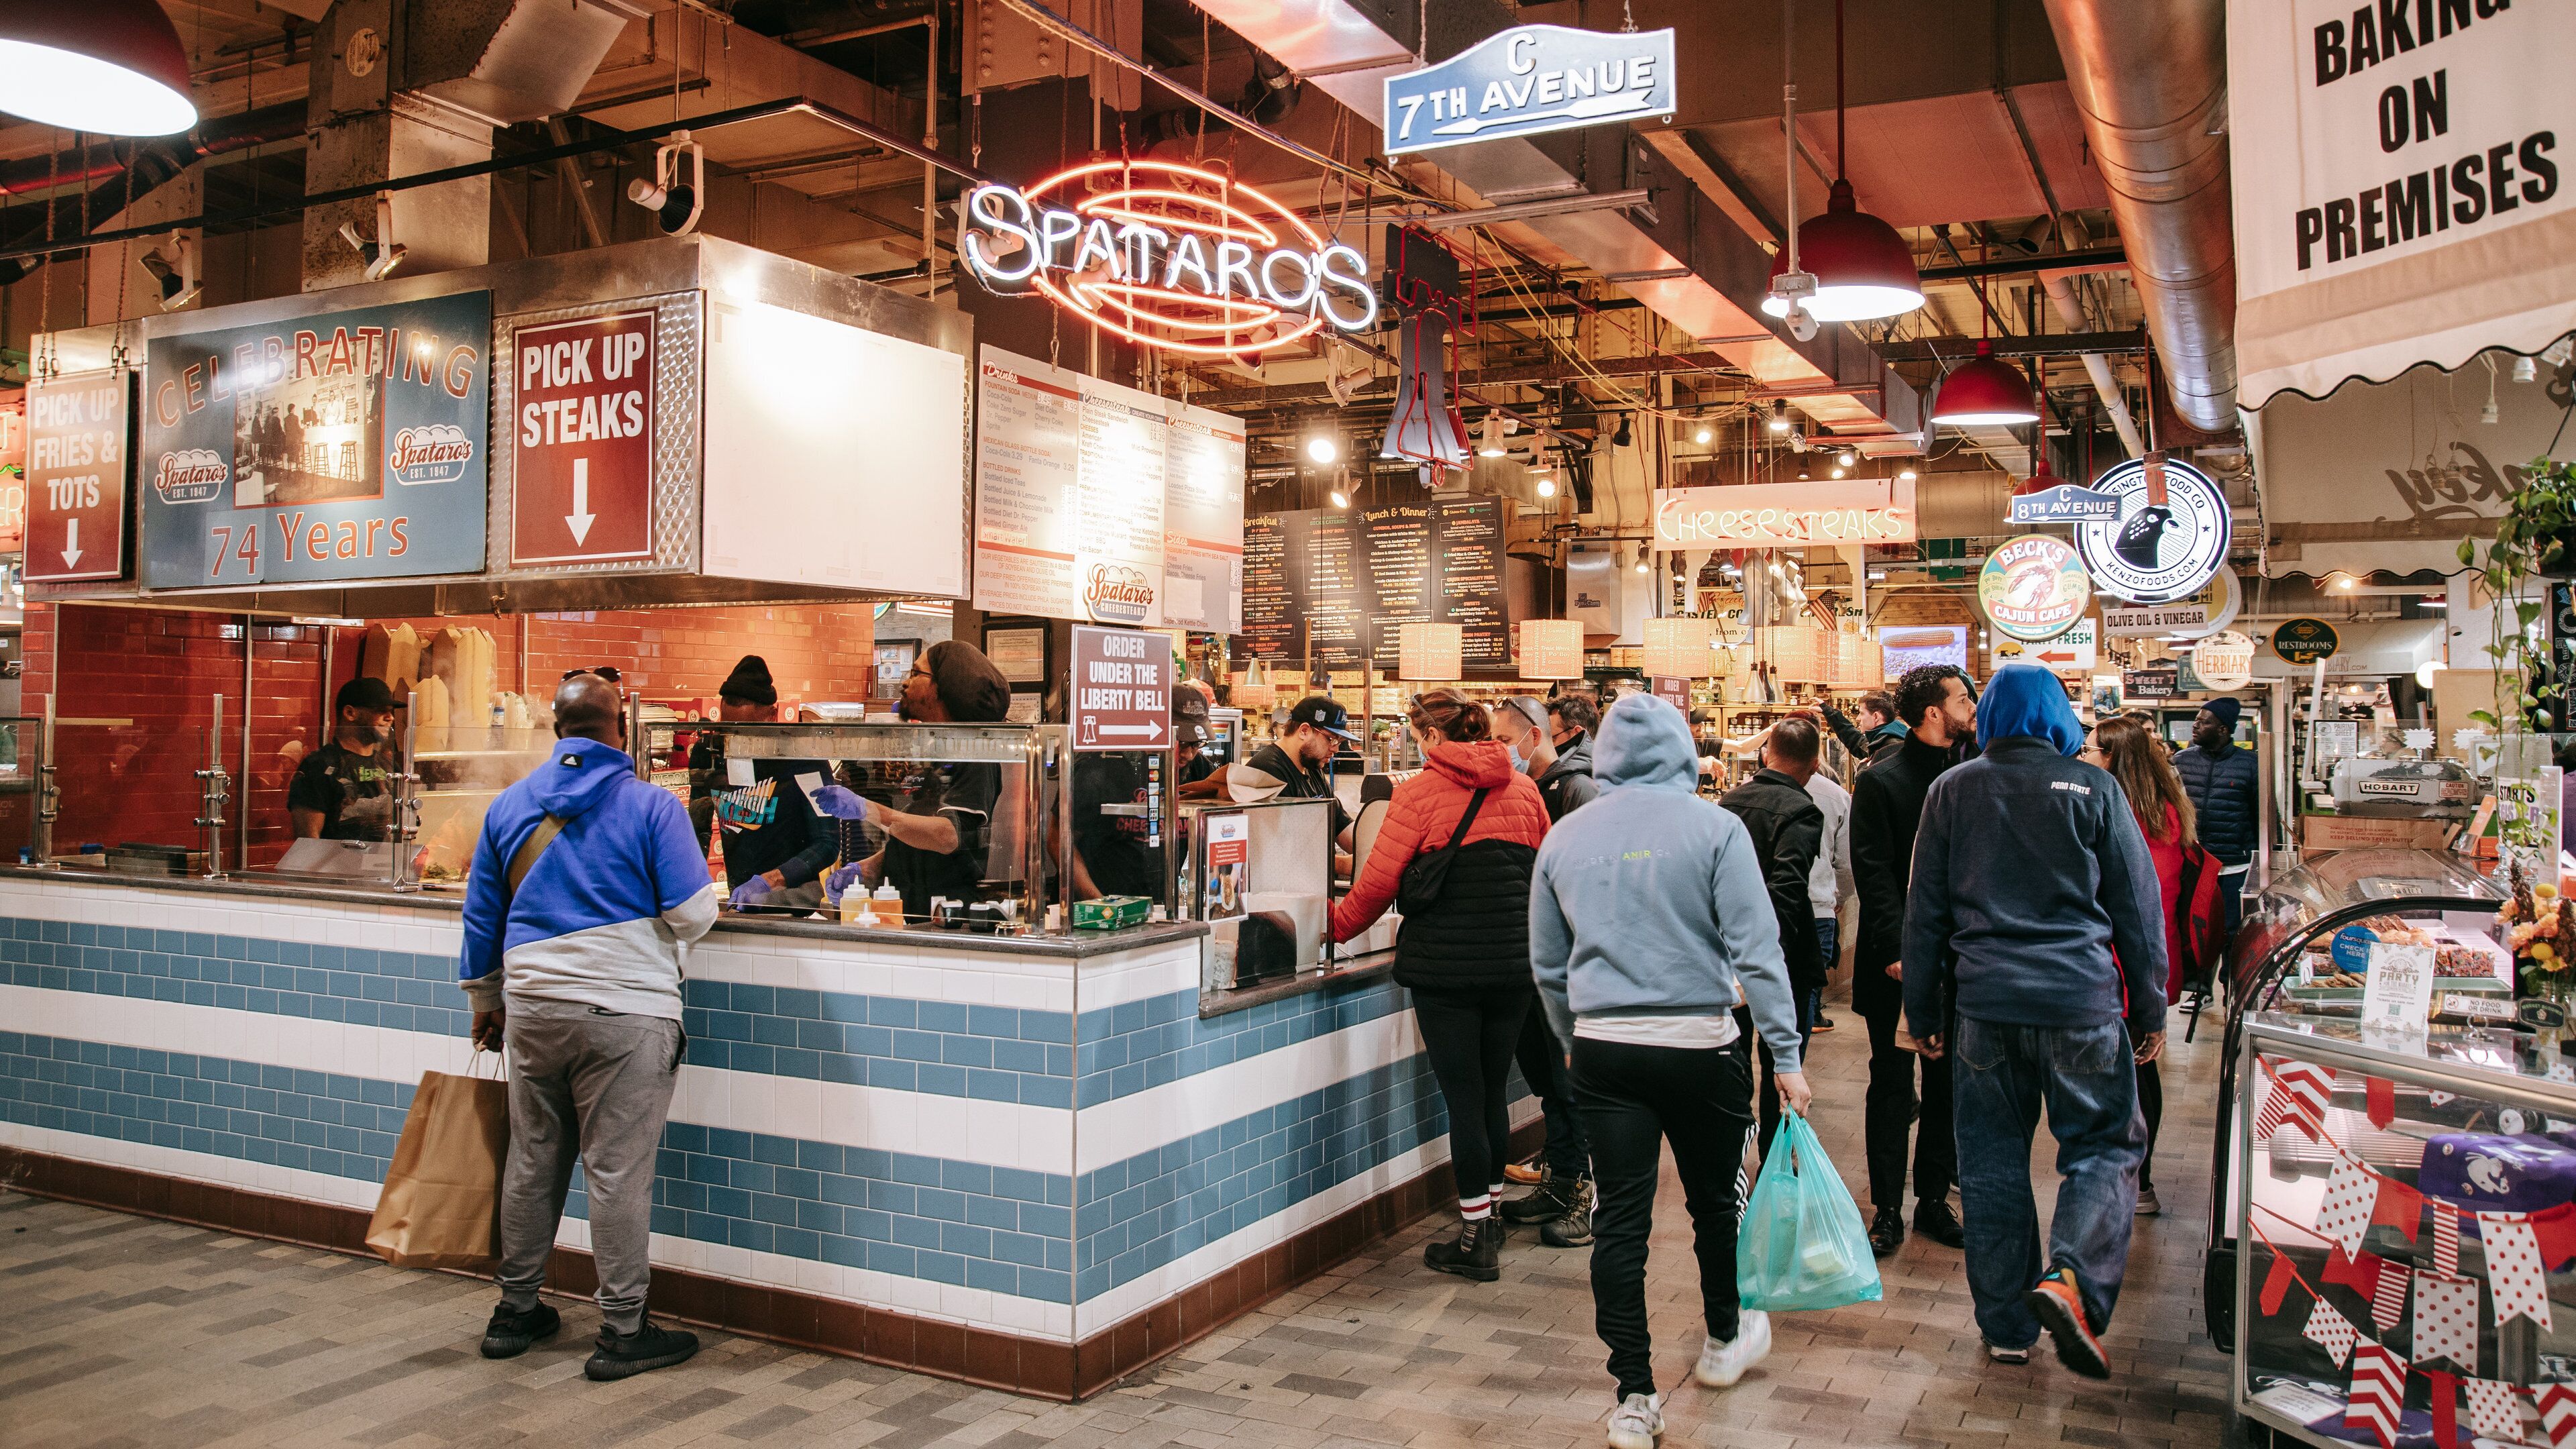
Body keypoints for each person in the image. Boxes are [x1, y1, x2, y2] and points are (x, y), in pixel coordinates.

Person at [1530, 694, 1809, 1449]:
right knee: (1716, 1206)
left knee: (1620, 1221)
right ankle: (1724, 1337)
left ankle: (1634, 1397)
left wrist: (1569, 1038)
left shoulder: (1565, 837)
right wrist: (1785, 1054)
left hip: (1604, 1050)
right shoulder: (1715, 828)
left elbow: (1549, 966)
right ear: (1683, 751)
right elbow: (1758, 952)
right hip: (1701, 1047)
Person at [1904, 664, 2166, 1378]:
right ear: (2058, 716)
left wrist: (1923, 1008)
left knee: (1990, 1166)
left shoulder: (1951, 790)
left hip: (1986, 1009)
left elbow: (1924, 909)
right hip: (2081, 1003)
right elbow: (2138, 910)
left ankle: (2008, 1328)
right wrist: (2150, 1004)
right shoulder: (2093, 788)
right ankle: (2072, 1277)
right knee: (2106, 1149)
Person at [460, 674, 718, 1381]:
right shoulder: (650, 806)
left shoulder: (509, 805)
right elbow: (694, 914)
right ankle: (623, 1331)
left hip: (533, 1010)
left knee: (534, 1160)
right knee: (616, 1173)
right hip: (627, 1013)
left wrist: (487, 999)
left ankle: (515, 1314)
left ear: (557, 728)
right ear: (622, 728)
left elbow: (482, 916)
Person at [1332, 688, 1549, 1281]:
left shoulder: (1419, 794)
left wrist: (1328, 927)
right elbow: (1548, 872)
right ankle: (1494, 1217)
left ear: (1429, 737)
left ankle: (1476, 1236)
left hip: (1447, 972)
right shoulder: (1525, 789)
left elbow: (1375, 888)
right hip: (1513, 967)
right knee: (1492, 1095)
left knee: (1463, 1099)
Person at [1850, 664, 1974, 1258]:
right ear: (1933, 712)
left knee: (1947, 1084)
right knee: (1892, 1085)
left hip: (1960, 959)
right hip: (1896, 963)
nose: (1971, 706)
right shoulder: (1883, 780)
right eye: (1962, 698)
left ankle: (1931, 1201)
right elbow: (1873, 871)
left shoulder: (1973, 773)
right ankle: (1887, 1210)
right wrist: (1898, 947)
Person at [2084, 714, 2217, 1220]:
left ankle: (2133, 1179)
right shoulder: (2165, 811)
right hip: (2144, 967)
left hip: (2123, 965)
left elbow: (2143, 903)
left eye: (2091, 750)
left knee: (2130, 1072)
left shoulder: (2129, 815)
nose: (2083, 757)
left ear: (2113, 758)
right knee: (2137, 1070)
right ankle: (2134, 1177)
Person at [1489, 695, 1594, 1244]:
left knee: (1569, 1082)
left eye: (1505, 739)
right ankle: (1559, 1180)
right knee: (1548, 1083)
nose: (1499, 750)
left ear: (1533, 735)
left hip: (1565, 964)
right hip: (1530, 957)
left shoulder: (1577, 787)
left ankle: (1584, 1194)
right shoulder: (1524, 790)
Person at [819, 641, 1014, 919]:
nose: (904, 684)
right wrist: (871, 868)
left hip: (947, 912)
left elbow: (948, 837)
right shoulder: (937, 750)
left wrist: (868, 809)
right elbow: (918, 838)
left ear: (943, 687)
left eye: (915, 673)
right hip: (908, 905)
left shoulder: (973, 753)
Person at [1719, 716, 1826, 1157]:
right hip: (1782, 959)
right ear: (1816, 764)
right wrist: (1765, 958)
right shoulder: (1802, 810)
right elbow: (1787, 889)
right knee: (1782, 1062)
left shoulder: (1728, 802)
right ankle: (1775, 1160)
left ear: (1767, 754)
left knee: (1733, 1063)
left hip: (1727, 956)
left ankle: (1727, 1152)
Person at [699, 656, 837, 912]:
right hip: (735, 902)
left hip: (792, 906)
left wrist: (770, 880)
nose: (737, 740)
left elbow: (827, 843)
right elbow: (698, 824)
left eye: (748, 730)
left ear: (772, 715)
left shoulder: (802, 761)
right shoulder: (714, 756)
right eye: (730, 729)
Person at [2172, 696, 2257, 938]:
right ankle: (2198, 977)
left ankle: (2231, 976)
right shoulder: (2182, 761)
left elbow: (2261, 815)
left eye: (2203, 722)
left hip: (2234, 867)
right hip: (2194, 866)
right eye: (2196, 720)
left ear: (2223, 729)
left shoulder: (2250, 765)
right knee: (2194, 933)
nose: (2195, 726)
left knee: (2234, 933)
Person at [289, 676, 400, 841]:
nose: (390, 717)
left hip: (384, 865)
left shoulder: (390, 766)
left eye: (391, 711)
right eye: (380, 710)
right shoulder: (319, 766)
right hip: (336, 865)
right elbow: (308, 843)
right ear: (350, 713)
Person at [1803, 731, 1854, 1035]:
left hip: (1767, 906)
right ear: (1817, 757)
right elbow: (1846, 864)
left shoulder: (1747, 792)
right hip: (1819, 904)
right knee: (1810, 981)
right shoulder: (1837, 796)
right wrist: (1840, 899)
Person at [1821, 691, 1907, 767]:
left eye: (1862, 713)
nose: (1858, 718)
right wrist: (1829, 712)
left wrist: (1863, 770)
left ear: (1876, 716)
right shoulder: (1882, 740)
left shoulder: (1890, 748)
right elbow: (1855, 740)